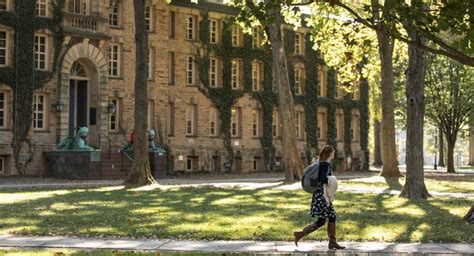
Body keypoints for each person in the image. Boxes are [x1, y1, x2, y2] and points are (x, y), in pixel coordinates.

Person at [293, 145, 345, 249]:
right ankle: (301, 234)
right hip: (322, 196)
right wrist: (332, 180)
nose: (334, 154)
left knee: (329, 217)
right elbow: (322, 179)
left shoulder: (320, 163)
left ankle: (332, 242)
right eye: (333, 152)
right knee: (325, 219)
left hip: (319, 195)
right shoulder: (325, 164)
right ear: (330, 153)